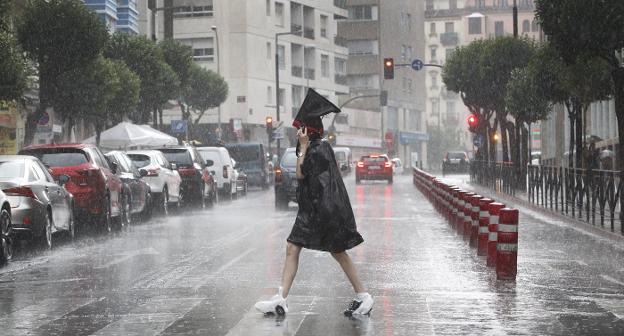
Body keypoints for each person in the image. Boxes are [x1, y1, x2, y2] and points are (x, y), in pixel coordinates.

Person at [254, 89, 373, 316]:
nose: (297, 132)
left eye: (300, 128)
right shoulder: (317, 147)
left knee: (337, 252)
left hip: (322, 213)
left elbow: (300, 174)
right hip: (313, 212)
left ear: (307, 130)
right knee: (293, 248)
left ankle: (364, 296)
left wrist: (304, 148)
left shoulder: (317, 149)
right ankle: (281, 298)